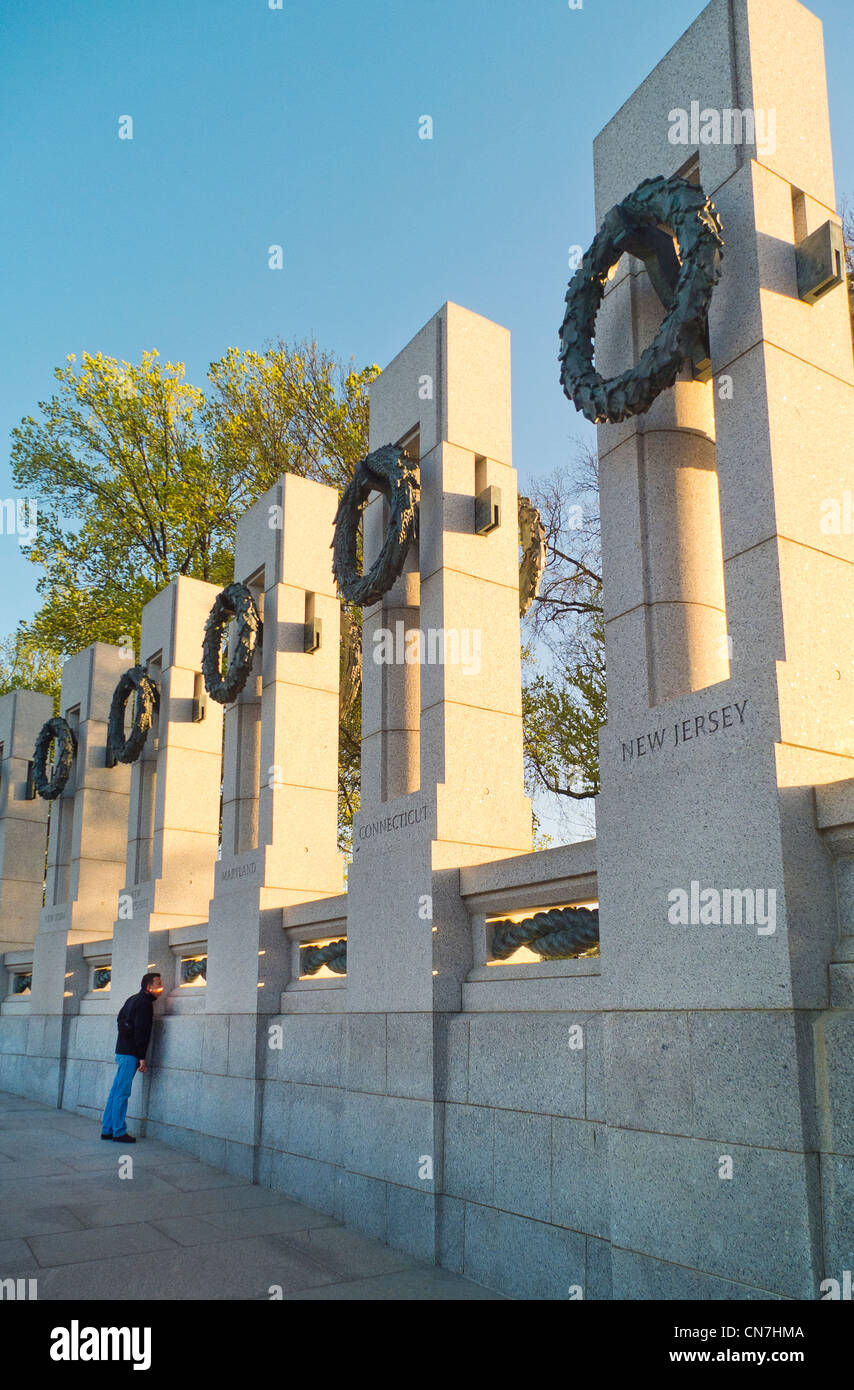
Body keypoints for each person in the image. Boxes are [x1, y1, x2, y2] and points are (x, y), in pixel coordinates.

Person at [100, 972, 162, 1142]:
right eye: (158, 984)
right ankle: (119, 1132)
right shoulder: (145, 1004)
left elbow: (120, 1019)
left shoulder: (132, 999)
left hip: (122, 1050)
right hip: (130, 1054)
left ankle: (108, 1129)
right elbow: (142, 1032)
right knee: (122, 1093)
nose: (161, 987)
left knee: (115, 1092)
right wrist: (141, 1056)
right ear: (149, 987)